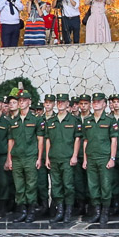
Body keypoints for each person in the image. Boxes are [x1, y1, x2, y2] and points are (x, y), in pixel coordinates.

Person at [2, 93, 45, 222]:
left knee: (31, 184)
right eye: (19, 100)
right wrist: (9, 159)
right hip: (17, 156)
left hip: (30, 156)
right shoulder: (13, 121)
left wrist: (39, 158)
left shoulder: (36, 120)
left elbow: (40, 140)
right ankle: (22, 210)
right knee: (19, 185)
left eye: (24, 100)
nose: (21, 102)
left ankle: (31, 211)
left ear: (29, 102)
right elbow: (11, 141)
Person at [40, 95, 82, 224]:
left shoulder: (73, 120)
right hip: (54, 157)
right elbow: (47, 140)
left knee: (68, 185)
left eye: (63, 102)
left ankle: (68, 211)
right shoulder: (51, 121)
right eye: (58, 102)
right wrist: (47, 157)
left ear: (68, 103)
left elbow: (77, 139)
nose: (60, 104)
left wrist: (75, 155)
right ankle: (60, 211)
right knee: (56, 186)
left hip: (67, 158)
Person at [80, 93, 118, 225]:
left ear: (104, 104)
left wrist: (112, 158)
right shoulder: (87, 120)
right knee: (93, 186)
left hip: (104, 157)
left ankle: (105, 212)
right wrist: (85, 159)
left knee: (105, 186)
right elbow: (85, 141)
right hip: (91, 157)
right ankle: (96, 212)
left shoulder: (109, 120)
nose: (96, 103)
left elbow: (114, 140)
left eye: (99, 101)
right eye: (94, 101)